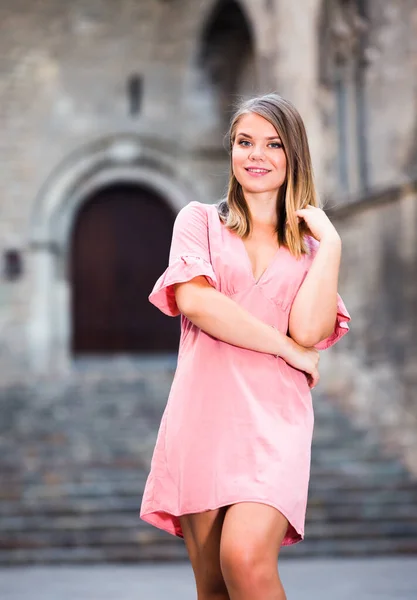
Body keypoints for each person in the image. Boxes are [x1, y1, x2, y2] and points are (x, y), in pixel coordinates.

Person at [140, 93, 351, 600]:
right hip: (203, 414)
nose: (256, 155)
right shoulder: (197, 221)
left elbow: (310, 332)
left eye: (273, 144)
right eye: (244, 142)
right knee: (213, 586)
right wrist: (288, 350)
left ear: (293, 154)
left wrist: (332, 247)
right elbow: (196, 302)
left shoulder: (313, 249)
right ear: (231, 151)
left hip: (275, 421)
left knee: (245, 558)